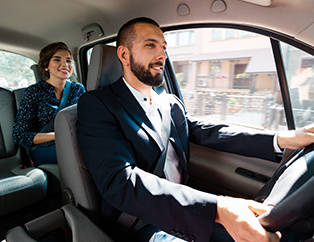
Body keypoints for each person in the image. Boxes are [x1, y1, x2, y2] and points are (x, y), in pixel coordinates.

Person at [76, 17, 314, 242]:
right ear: (124, 54)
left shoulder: (168, 102)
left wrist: (281, 139)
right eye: (150, 45)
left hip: (189, 206)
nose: (162, 55)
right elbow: (121, 181)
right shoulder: (97, 105)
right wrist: (217, 209)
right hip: (142, 222)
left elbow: (207, 132)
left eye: (164, 46)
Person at [13, 42, 85, 165]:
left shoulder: (78, 89)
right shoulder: (34, 92)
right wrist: (56, 135)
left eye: (69, 61)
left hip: (76, 141)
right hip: (44, 148)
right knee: (85, 152)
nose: (65, 65)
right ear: (46, 65)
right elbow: (20, 135)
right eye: (57, 60)